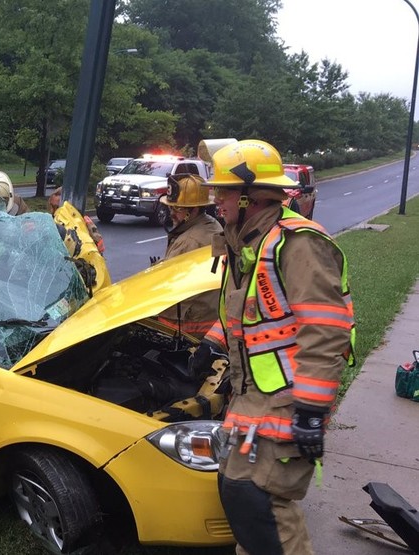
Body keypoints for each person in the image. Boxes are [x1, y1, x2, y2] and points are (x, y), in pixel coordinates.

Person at [196, 139, 355, 554]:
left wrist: (312, 410)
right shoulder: (247, 242)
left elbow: (327, 331)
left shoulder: (297, 243)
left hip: (289, 398)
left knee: (260, 502)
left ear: (250, 196)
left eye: (223, 192)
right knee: (241, 499)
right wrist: (210, 345)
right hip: (252, 394)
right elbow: (246, 312)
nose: (216, 201)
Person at [153, 174, 222, 337]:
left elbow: (167, 283)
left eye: (177, 208)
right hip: (209, 316)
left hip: (186, 323)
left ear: (194, 210)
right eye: (170, 208)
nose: (171, 213)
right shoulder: (211, 224)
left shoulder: (190, 241)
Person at [48, 185, 105, 254]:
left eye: (58, 207)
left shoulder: (83, 222)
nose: (55, 211)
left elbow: (98, 245)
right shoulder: (50, 221)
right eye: (53, 206)